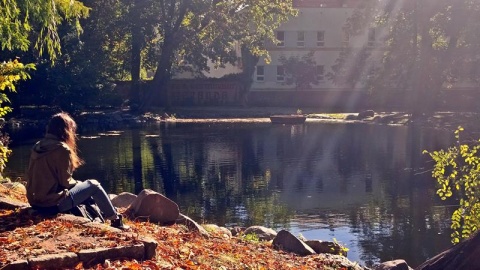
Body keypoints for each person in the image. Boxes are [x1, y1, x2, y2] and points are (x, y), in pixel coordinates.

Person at [26, 112, 129, 230]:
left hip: (34, 202)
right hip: (51, 204)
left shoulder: (38, 146)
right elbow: (65, 182)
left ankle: (100, 215)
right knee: (93, 184)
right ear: (66, 130)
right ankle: (116, 221)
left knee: (83, 186)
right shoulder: (61, 149)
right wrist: (79, 184)